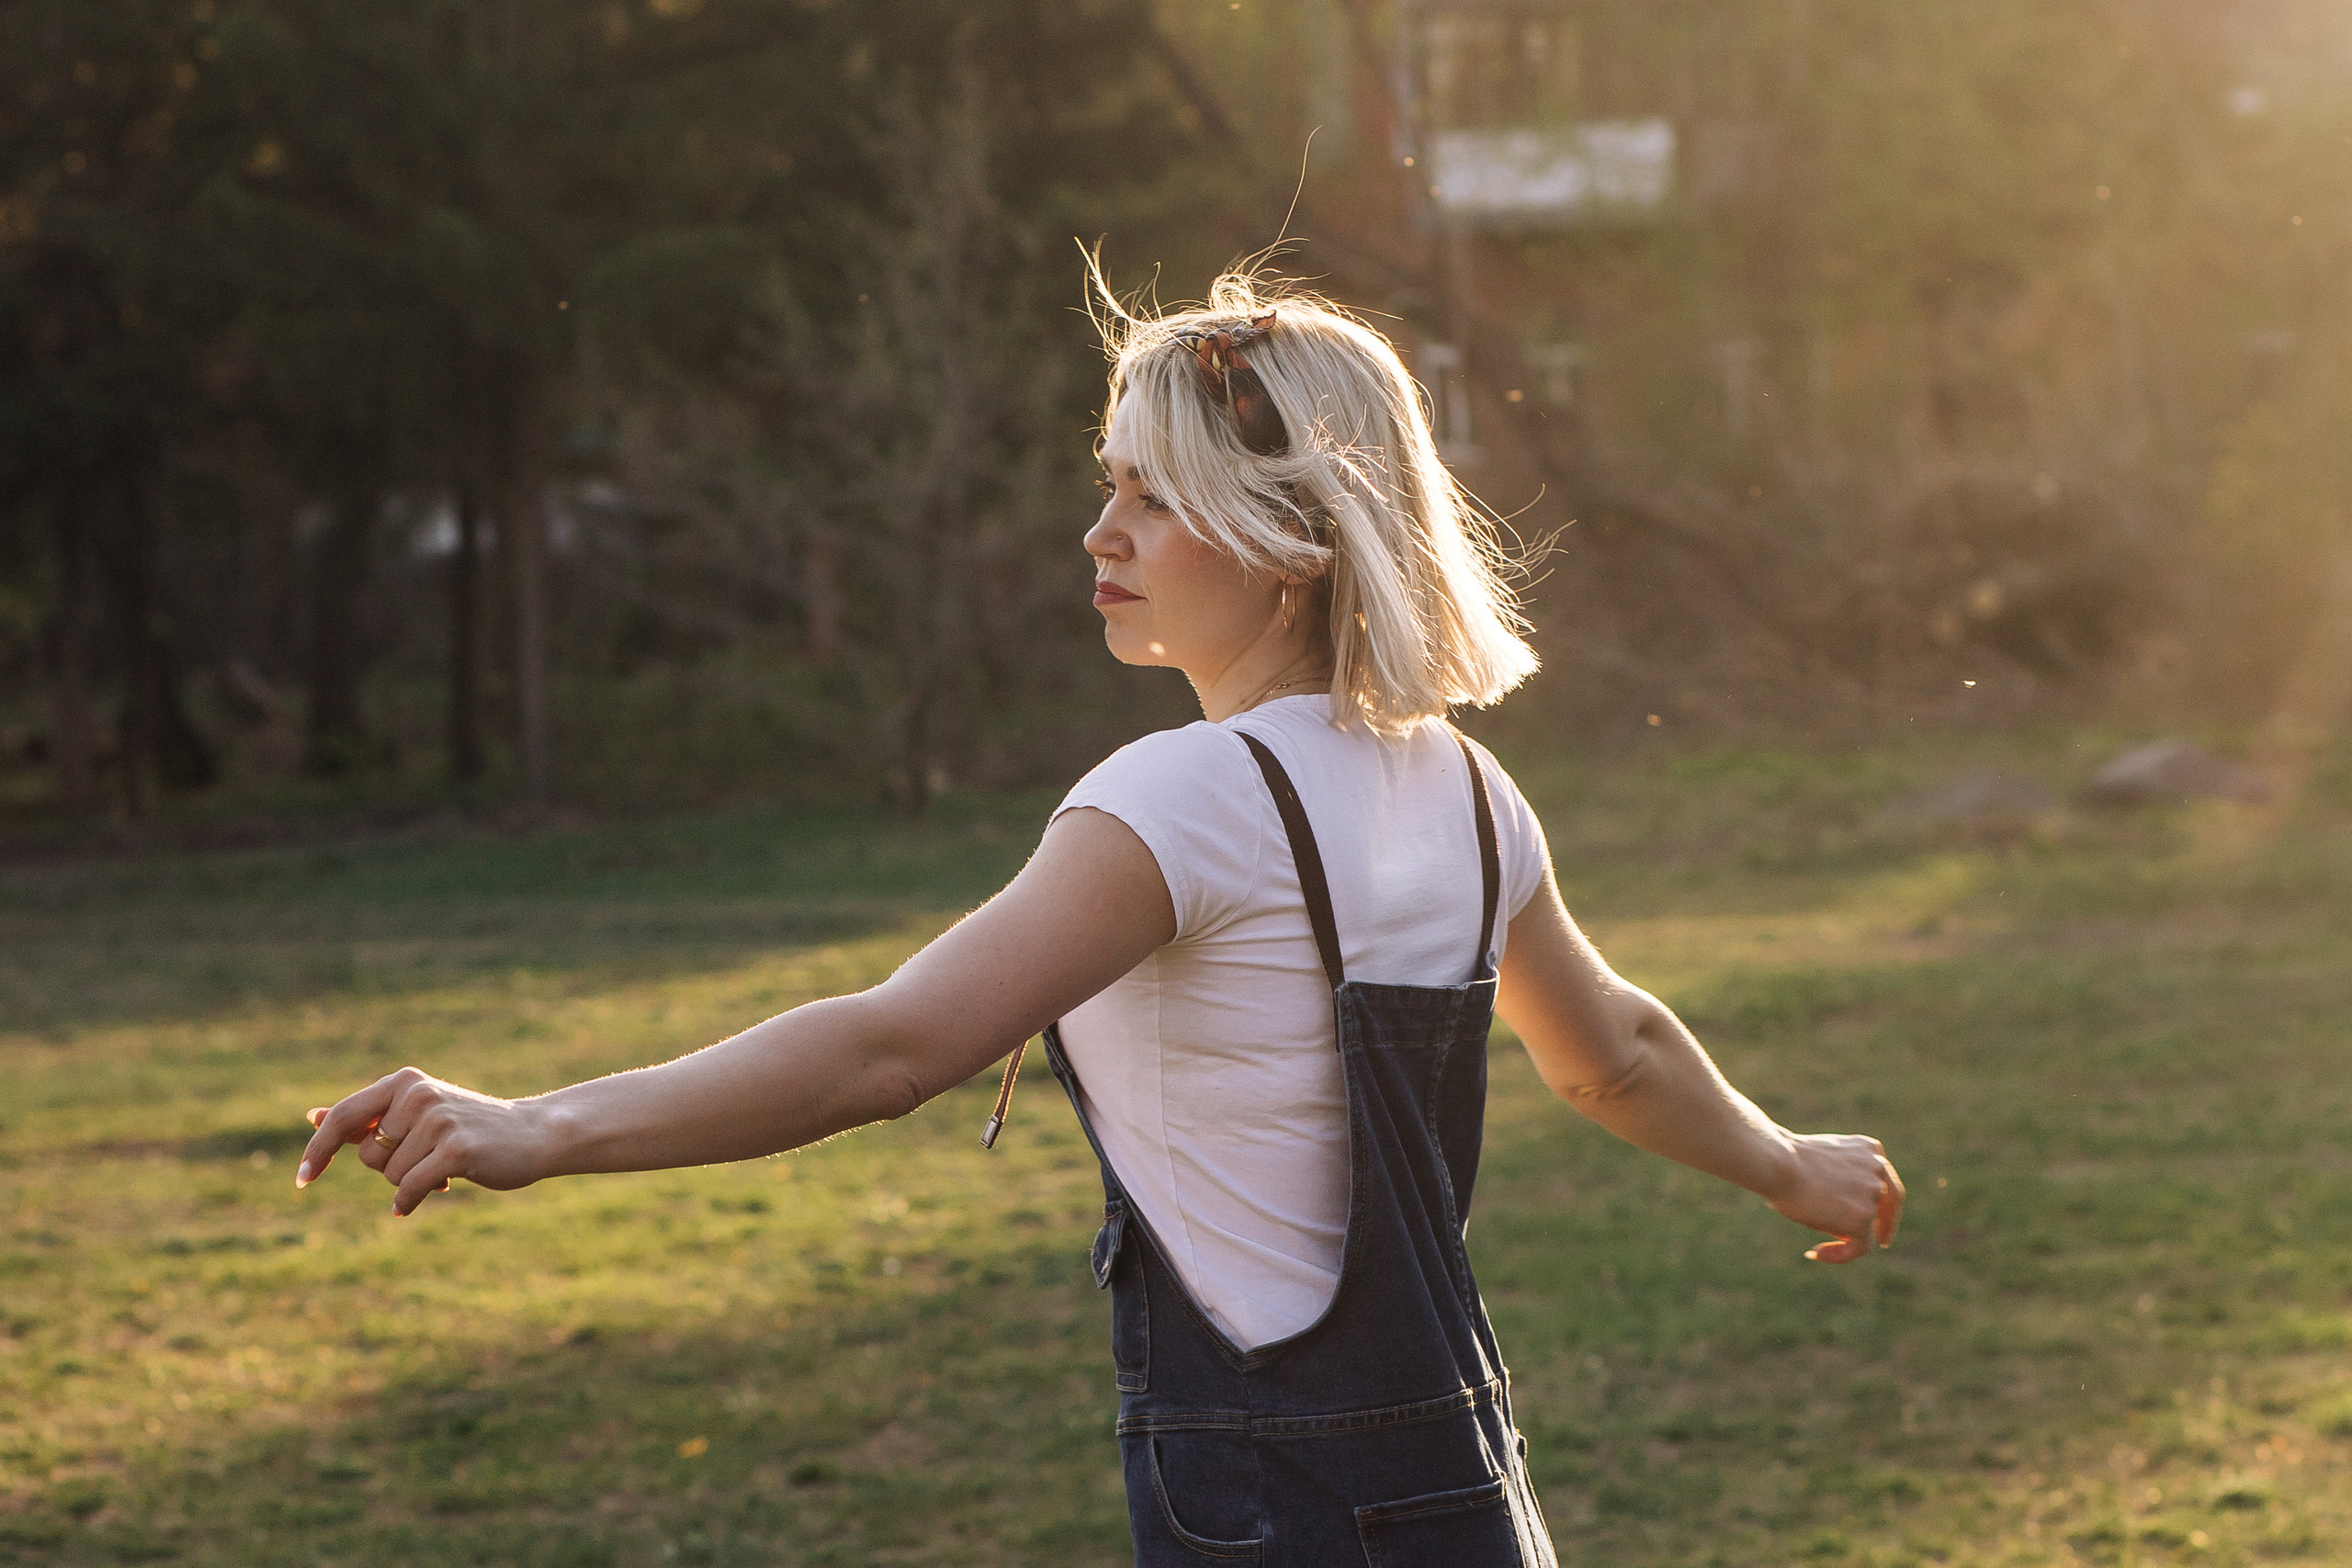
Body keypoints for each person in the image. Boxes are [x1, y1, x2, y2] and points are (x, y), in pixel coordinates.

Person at [297, 274, 1904, 1564]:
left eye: (1155, 497)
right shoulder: (1470, 792)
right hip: (1463, 1474)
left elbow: (890, 1048)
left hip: (1265, 1500)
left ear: (1289, 545)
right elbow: (1609, 1049)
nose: (1102, 534)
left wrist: (540, 1125)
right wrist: (1783, 1160)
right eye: (1109, 487)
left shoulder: (1184, 799)